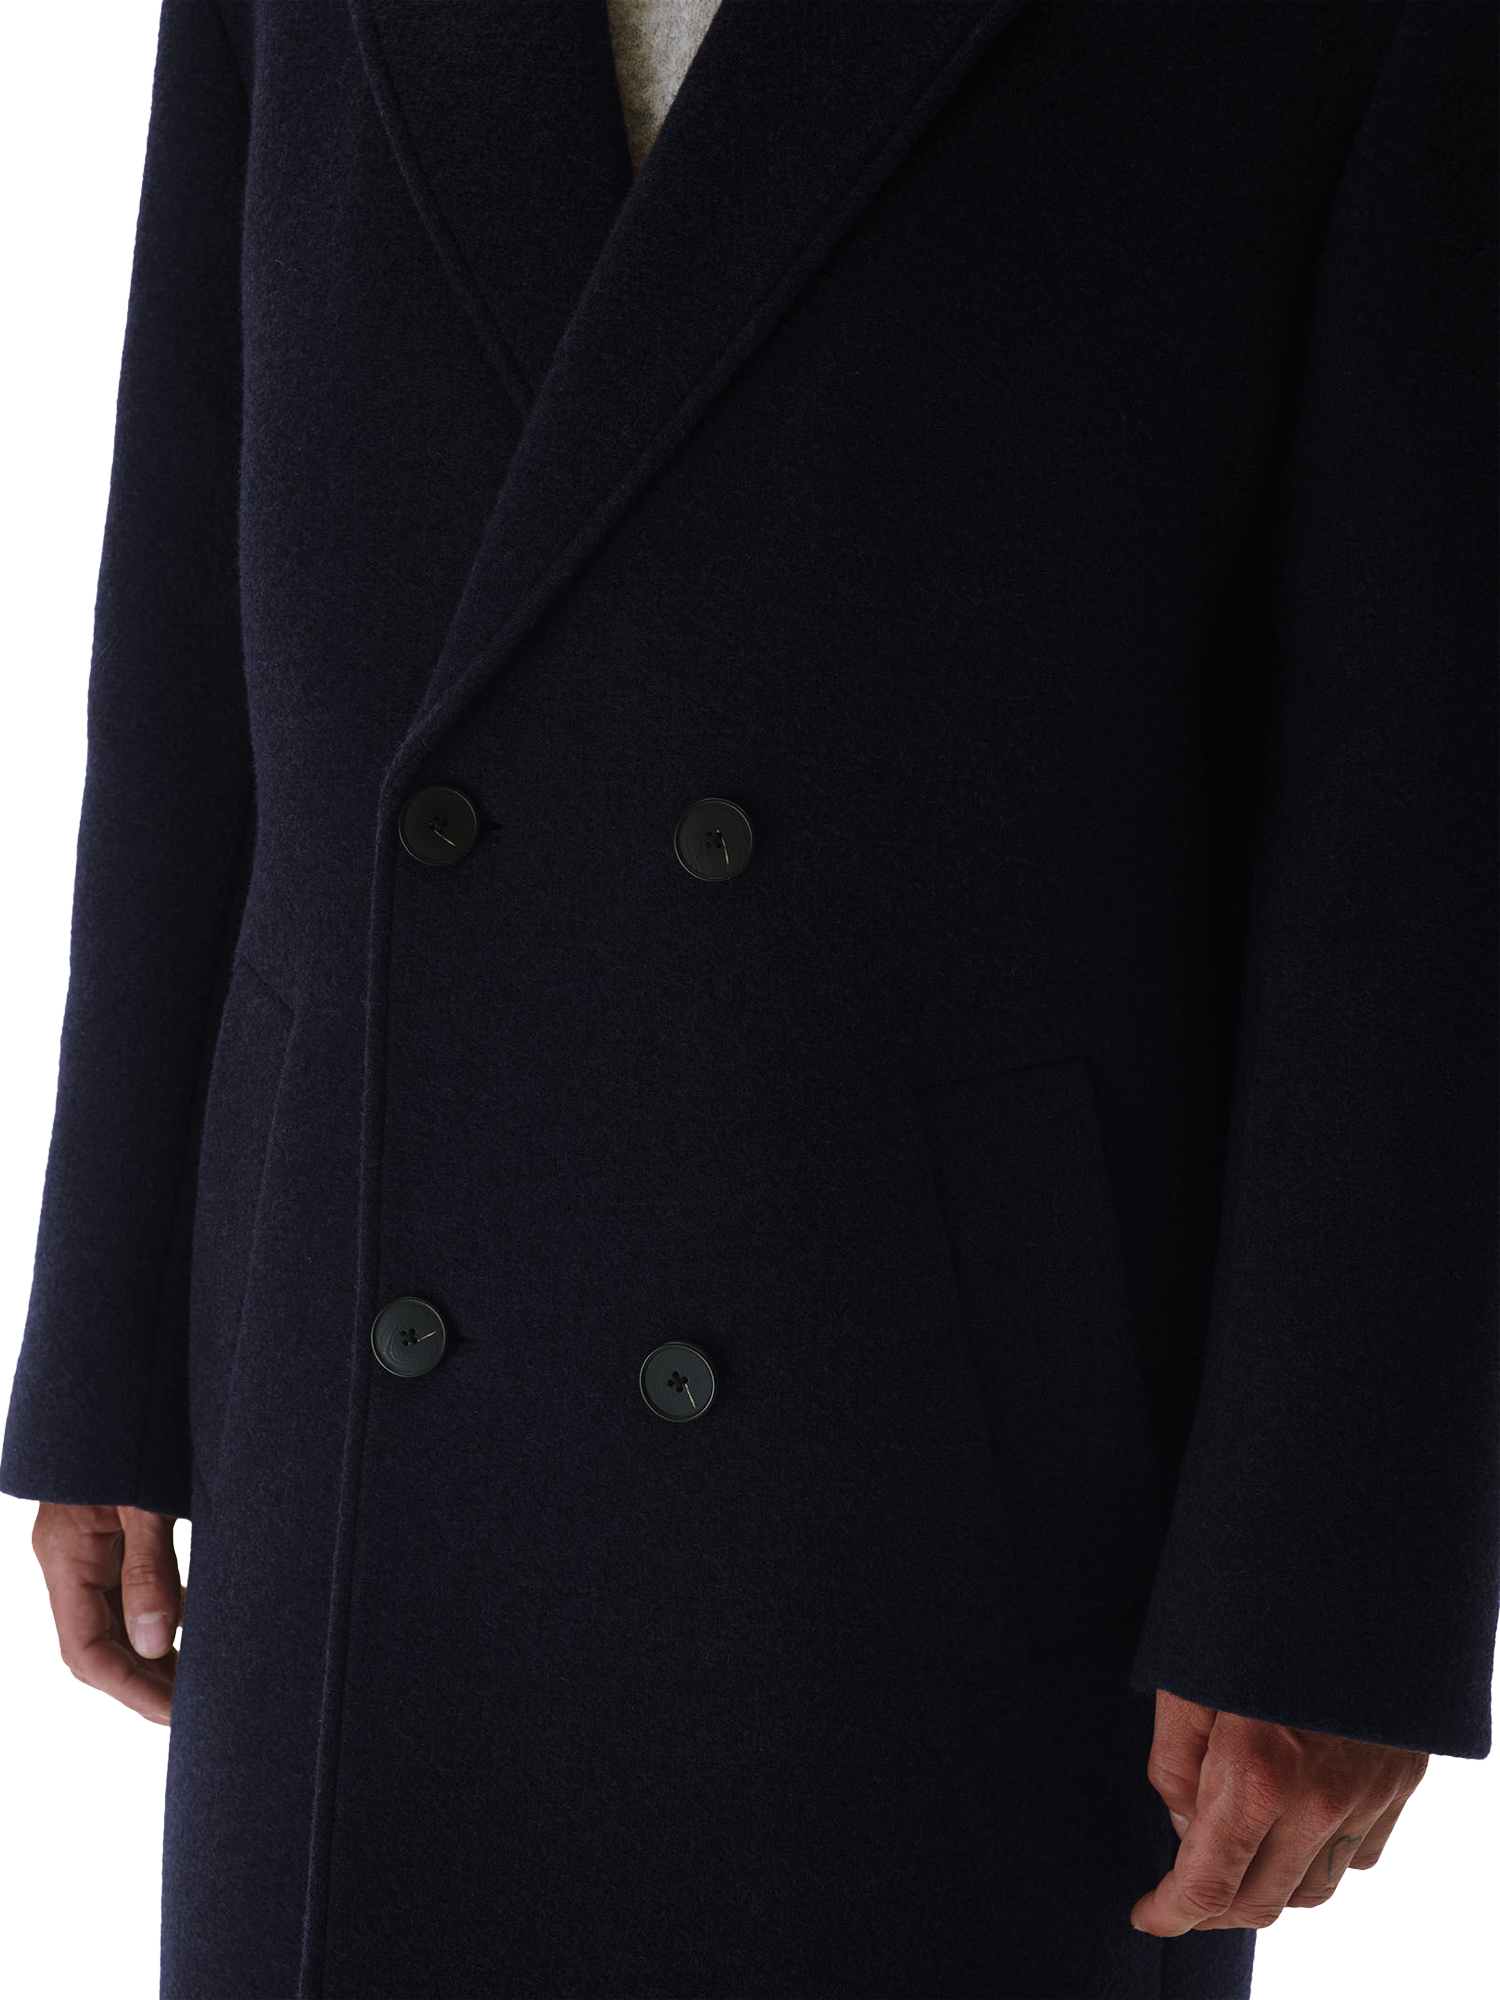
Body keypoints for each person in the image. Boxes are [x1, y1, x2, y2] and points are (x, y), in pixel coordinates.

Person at [4, 1, 1495, 1993]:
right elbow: (194, 601)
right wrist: (112, 1349)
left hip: (945, 1473)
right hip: (361, 1419)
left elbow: (1418, 814)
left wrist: (1331, 1567)